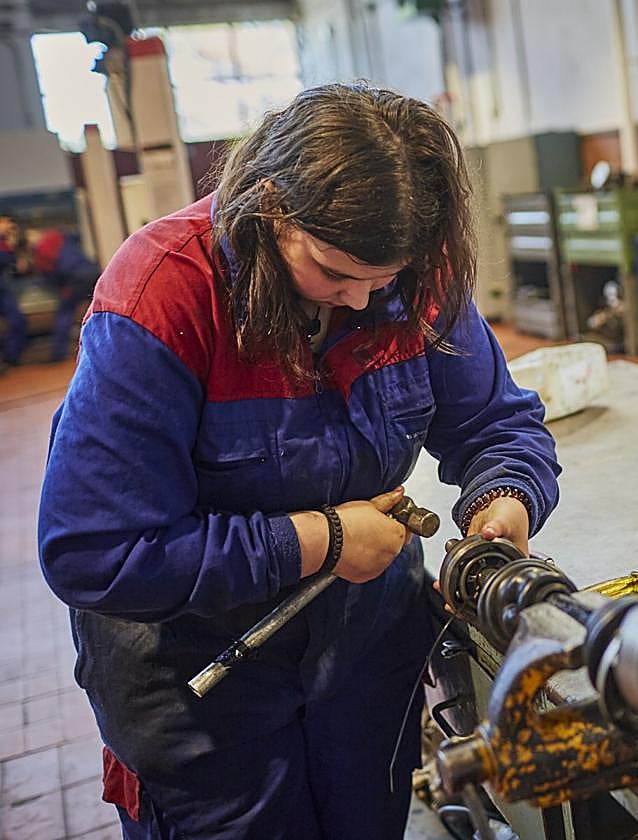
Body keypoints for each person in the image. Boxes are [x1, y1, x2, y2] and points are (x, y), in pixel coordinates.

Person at [38, 83, 561, 838]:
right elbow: (94, 552)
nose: (360, 301)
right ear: (271, 207)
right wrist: (322, 539)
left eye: (383, 279)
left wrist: (503, 500)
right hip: (200, 686)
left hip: (362, 665)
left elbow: (495, 423)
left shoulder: (408, 272)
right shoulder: (163, 296)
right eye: (335, 272)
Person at [26, 225, 102, 361]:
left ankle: (58, 353)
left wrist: (60, 287)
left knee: (65, 314)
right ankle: (103, 346)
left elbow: (50, 276)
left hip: (74, 280)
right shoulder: (60, 237)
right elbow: (75, 236)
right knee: (100, 310)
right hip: (92, 272)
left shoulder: (41, 253)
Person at [0, 215, 26, 369]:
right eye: (5, 221)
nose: (9, 225)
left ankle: (11, 359)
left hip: (3, 288)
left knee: (17, 321)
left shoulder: (6, 243)